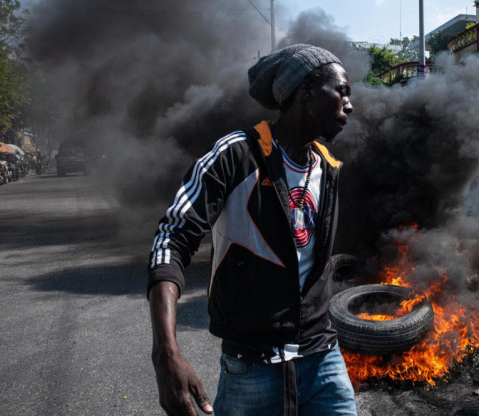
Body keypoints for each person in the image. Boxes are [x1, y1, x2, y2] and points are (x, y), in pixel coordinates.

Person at [147, 44, 356, 416]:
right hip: (253, 367)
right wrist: (166, 351)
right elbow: (172, 239)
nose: (349, 105)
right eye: (342, 91)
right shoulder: (236, 154)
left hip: (324, 359)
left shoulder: (329, 166)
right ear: (306, 91)